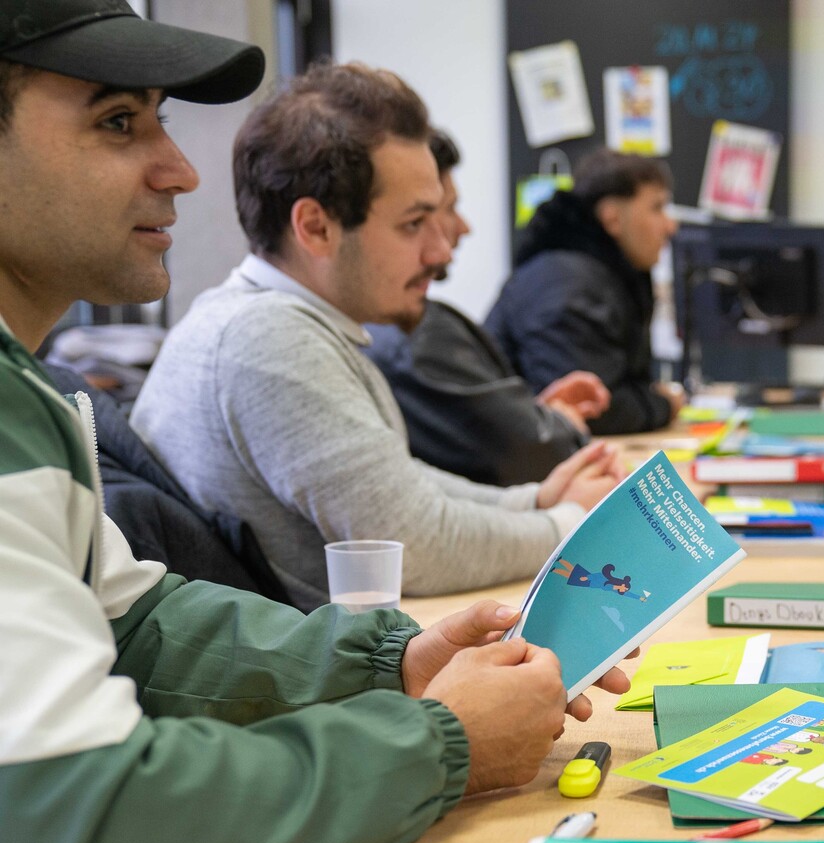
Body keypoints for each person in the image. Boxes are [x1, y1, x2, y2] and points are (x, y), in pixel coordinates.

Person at [0, 1, 626, 843]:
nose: (180, 169)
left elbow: (143, 629)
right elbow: (71, 824)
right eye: (118, 122)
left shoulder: (28, 391)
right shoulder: (258, 340)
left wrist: (394, 664)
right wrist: (439, 740)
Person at [133, 63, 627, 611]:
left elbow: (397, 485)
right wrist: (571, 523)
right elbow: (414, 545)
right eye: (413, 223)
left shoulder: (262, 320)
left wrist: (534, 501)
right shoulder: (266, 340)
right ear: (315, 227)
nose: (440, 250)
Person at [364, 129, 613, 486]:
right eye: (415, 221)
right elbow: (526, 453)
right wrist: (555, 424)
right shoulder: (413, 336)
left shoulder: (405, 327)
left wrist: (535, 415)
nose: (460, 231)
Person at [485, 149, 685, 435]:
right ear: (612, 218)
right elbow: (592, 410)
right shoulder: (567, 282)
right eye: (657, 208)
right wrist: (663, 405)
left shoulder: (603, 276)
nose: (670, 226)